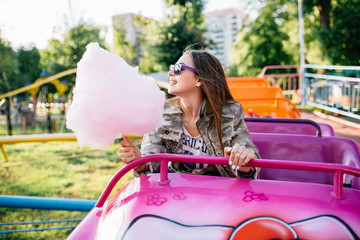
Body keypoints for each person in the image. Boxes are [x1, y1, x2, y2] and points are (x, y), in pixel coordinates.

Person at [119, 46, 260, 178]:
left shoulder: (229, 113)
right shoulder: (162, 112)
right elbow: (149, 163)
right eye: (171, 68)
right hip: (179, 191)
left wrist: (243, 160)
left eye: (178, 68)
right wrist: (138, 161)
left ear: (199, 79)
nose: (170, 73)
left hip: (220, 192)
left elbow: (250, 160)